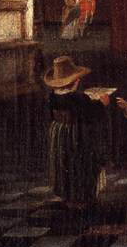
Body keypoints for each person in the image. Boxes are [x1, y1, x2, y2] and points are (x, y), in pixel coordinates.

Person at [43, 54, 110, 209]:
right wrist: (102, 103)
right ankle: (81, 198)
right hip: (76, 134)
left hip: (58, 134)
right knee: (80, 163)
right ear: (76, 81)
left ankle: (67, 195)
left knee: (63, 163)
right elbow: (92, 114)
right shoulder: (79, 98)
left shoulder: (52, 96)